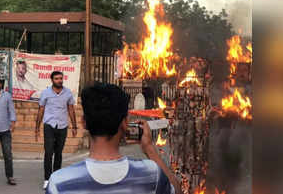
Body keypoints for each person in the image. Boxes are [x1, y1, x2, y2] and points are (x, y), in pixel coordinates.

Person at [46, 83, 182, 194]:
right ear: (124, 123)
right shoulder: (152, 174)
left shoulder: (59, 183)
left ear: (84, 122)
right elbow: (177, 191)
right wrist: (149, 149)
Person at [35, 71, 77, 190]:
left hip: (62, 126)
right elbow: (41, 110)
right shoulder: (46, 93)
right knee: (48, 153)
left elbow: (71, 110)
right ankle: (47, 179)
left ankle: (56, 178)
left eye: (61, 78)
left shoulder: (68, 93)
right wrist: (37, 128)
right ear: (52, 80)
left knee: (58, 153)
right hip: (49, 126)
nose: (59, 80)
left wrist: (74, 126)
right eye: (57, 78)